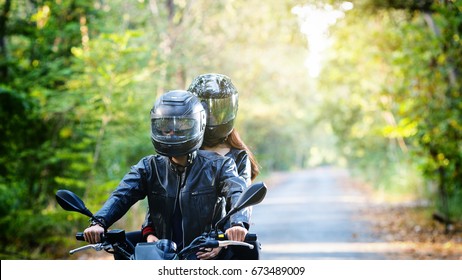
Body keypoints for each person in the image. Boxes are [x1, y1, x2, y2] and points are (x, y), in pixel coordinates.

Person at [83, 90, 249, 260]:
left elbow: (237, 192)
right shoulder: (149, 167)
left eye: (181, 127)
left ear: (198, 125)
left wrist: (236, 225)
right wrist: (99, 222)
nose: (172, 133)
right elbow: (123, 194)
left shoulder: (219, 165)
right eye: (165, 127)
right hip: (160, 253)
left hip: (204, 252)